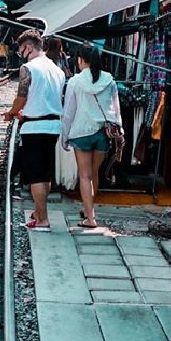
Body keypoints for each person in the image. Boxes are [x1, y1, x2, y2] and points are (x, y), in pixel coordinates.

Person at [2, 29, 66, 231]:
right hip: (54, 125)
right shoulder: (57, 70)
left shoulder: (28, 68)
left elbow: (22, 98)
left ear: (28, 47)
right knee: (45, 173)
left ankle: (42, 219)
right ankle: (39, 213)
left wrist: (11, 112)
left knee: (36, 175)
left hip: (34, 126)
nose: (20, 53)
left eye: (21, 50)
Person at [60, 45, 121, 229]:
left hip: (81, 133)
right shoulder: (109, 80)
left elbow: (69, 112)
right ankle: (89, 211)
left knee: (84, 176)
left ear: (80, 60)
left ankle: (90, 218)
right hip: (103, 132)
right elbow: (115, 109)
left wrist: (64, 135)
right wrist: (120, 130)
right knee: (94, 174)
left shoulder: (75, 82)